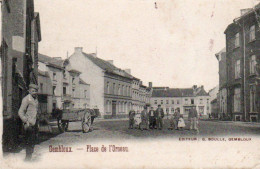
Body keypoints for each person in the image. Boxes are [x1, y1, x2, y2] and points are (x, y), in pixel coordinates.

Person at [18, 83, 39, 161]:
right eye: (33, 91)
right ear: (29, 91)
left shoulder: (35, 99)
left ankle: (29, 157)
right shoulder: (26, 99)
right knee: (29, 141)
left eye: (35, 91)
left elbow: (36, 111)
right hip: (28, 124)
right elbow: (20, 112)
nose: (34, 92)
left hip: (35, 123)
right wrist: (25, 121)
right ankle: (27, 159)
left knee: (33, 141)